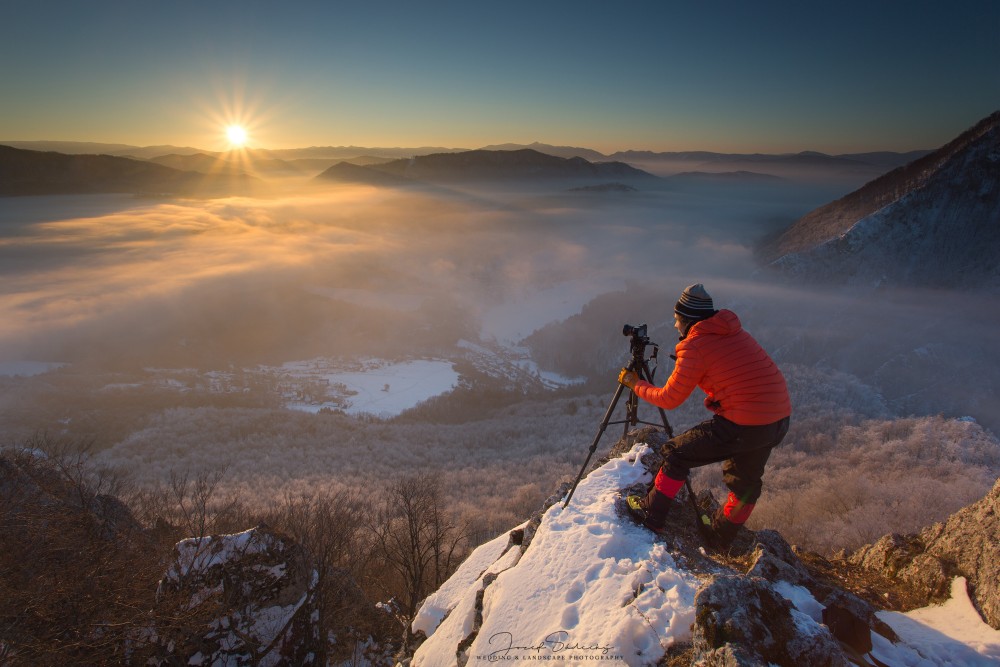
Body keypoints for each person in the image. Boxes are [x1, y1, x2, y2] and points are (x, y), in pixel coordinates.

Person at [618, 283, 791, 546]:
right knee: (746, 483)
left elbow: (669, 399)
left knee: (677, 453)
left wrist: (635, 383)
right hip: (777, 419)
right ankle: (720, 536)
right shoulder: (732, 331)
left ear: (687, 319)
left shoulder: (695, 345)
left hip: (743, 423)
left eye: (677, 320)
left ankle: (650, 514)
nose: (675, 325)